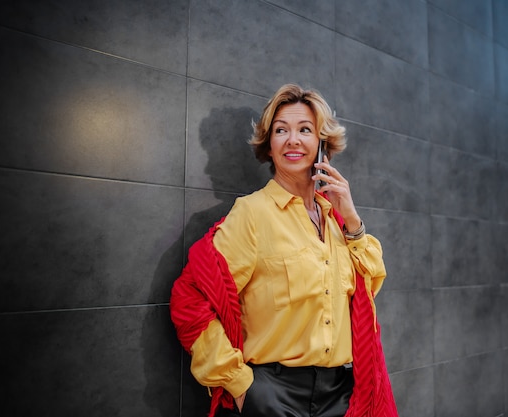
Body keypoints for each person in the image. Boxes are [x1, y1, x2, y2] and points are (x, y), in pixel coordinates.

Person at [170, 84, 398, 417]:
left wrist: (351, 219)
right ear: (270, 145)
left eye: (305, 130)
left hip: (342, 396)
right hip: (274, 396)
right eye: (281, 130)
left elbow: (369, 285)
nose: (292, 140)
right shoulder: (252, 213)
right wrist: (241, 385)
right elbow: (189, 299)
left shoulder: (336, 220)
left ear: (323, 144)